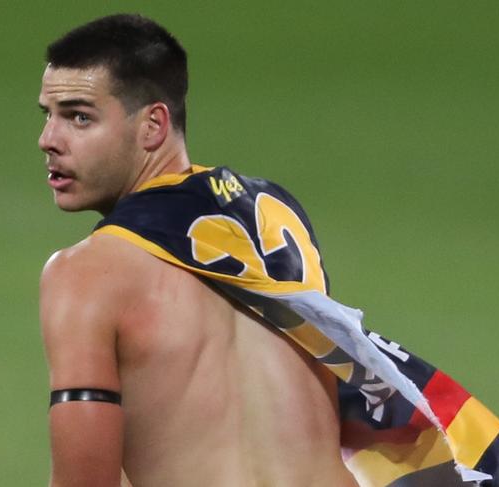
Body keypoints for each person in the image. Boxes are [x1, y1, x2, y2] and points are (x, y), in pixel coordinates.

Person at [38, 14, 359, 487]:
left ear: (153, 126)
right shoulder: (273, 216)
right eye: (47, 115)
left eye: (79, 117)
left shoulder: (84, 273)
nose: (48, 140)